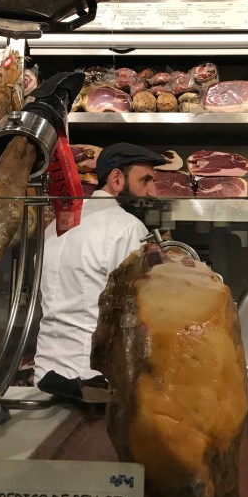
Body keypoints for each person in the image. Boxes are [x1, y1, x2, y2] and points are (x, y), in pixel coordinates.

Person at [34, 142, 166, 399]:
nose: (153, 191)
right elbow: (136, 311)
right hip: (93, 383)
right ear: (116, 179)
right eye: (145, 180)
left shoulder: (56, 225)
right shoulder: (128, 227)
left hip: (45, 374)